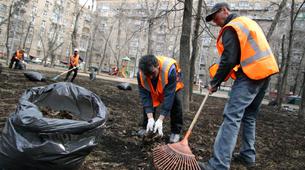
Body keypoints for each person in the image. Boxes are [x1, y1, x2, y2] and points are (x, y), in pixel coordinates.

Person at [199, 2, 279, 170]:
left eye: (215, 17)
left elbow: (229, 59)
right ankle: (247, 155)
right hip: (265, 72)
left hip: (250, 75)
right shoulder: (247, 22)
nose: (215, 22)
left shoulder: (231, 27)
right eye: (212, 20)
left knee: (231, 116)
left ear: (224, 11)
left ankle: (218, 165)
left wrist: (215, 82)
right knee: (249, 115)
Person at [137, 55, 184, 143]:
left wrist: (160, 120)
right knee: (149, 100)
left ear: (157, 66)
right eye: (147, 75)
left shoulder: (170, 70)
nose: (150, 77)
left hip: (172, 83)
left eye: (152, 73)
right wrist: (150, 118)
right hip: (154, 86)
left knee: (175, 102)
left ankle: (175, 131)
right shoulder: (141, 74)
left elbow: (169, 97)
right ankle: (147, 126)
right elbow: (145, 97)